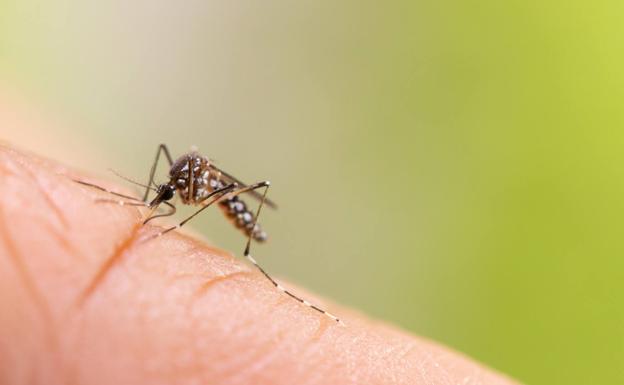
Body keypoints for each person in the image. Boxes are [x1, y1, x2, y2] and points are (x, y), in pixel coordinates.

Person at [0, 144, 520, 385]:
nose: (167, 194)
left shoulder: (199, 185)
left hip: (235, 201)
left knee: (223, 193)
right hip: (205, 187)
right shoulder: (176, 176)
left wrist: (176, 223)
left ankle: (251, 259)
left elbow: (199, 190)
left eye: (166, 191)